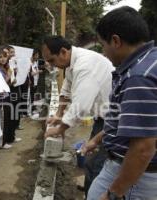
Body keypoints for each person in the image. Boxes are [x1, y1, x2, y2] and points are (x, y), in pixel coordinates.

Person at [82, 6, 157, 200]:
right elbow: (130, 120)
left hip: (134, 176)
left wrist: (114, 193)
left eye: (103, 45)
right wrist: (96, 140)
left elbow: (142, 148)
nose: (104, 53)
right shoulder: (150, 62)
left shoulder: (137, 77)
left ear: (115, 41)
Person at [42, 35, 114, 196]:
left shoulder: (85, 65)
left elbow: (81, 104)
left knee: (100, 166)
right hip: (101, 119)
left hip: (113, 122)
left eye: (52, 60)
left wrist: (61, 128)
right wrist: (59, 113)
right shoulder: (70, 62)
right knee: (90, 162)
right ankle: (89, 190)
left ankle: (95, 194)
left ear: (63, 52)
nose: (52, 65)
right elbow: (66, 88)